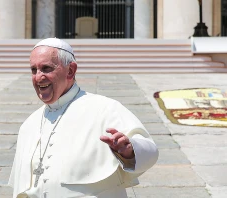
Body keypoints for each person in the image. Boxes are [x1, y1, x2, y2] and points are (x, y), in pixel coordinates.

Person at [9, 38, 159, 198]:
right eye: (33, 70)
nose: (38, 77)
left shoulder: (105, 109)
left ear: (70, 71)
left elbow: (150, 151)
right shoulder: (29, 124)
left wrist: (129, 151)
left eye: (46, 68)